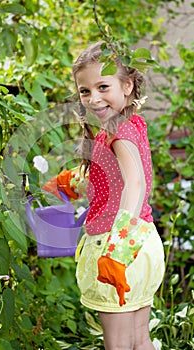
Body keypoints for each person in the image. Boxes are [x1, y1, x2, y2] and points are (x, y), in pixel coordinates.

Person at [69, 41, 165, 350]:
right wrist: (73, 180)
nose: (93, 98)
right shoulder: (129, 123)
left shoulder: (118, 131)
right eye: (85, 91)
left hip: (120, 245)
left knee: (119, 345)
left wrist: (118, 252)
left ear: (127, 85)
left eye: (102, 86)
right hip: (145, 238)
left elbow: (135, 184)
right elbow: (119, 177)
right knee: (139, 341)